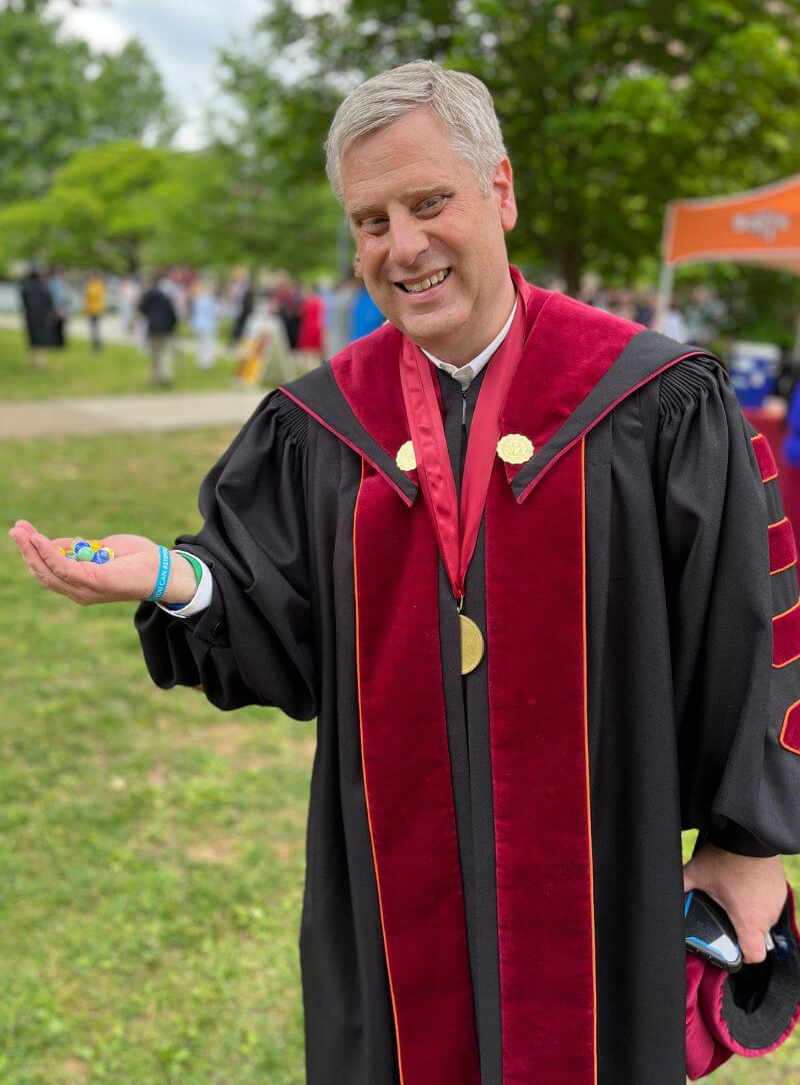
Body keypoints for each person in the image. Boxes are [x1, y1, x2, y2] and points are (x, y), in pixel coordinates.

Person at [9, 62, 800, 1085]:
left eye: (429, 203)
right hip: (392, 906)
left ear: (499, 190)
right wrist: (170, 576)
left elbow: (744, 622)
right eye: (371, 221)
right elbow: (280, 621)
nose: (404, 246)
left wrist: (745, 845)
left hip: (600, 888)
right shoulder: (322, 426)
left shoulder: (653, 401)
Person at [138, 275, 178, 387]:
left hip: (152, 327)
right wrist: (173, 327)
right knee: (164, 353)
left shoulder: (147, 297)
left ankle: (156, 376)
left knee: (155, 353)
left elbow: (141, 309)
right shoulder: (165, 297)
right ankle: (164, 376)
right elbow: (172, 314)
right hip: (165, 328)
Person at [19, 267, 58, 369]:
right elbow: (50, 303)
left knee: (31, 340)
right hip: (42, 318)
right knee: (41, 342)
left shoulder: (26, 288)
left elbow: (24, 302)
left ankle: (30, 362)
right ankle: (40, 363)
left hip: (30, 317)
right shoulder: (45, 288)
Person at [83, 274, 106, 352]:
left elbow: (92, 295)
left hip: (96, 310)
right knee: (93, 329)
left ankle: (97, 346)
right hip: (91, 310)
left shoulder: (97, 286)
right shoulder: (91, 286)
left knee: (95, 329)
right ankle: (94, 345)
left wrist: (88, 289)